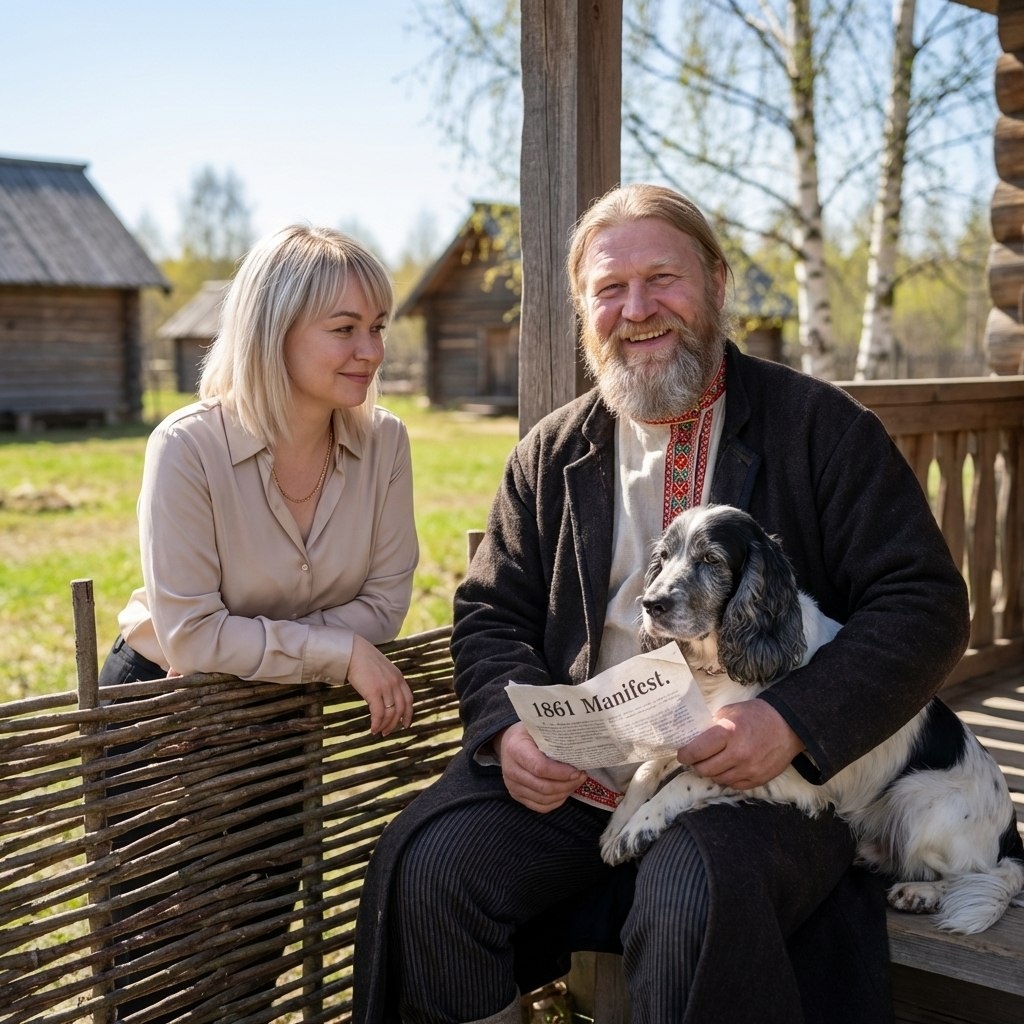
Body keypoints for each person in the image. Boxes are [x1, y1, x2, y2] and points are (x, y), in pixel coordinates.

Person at [352, 184, 970, 1024]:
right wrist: (509, 731)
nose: (637, 310)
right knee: (432, 870)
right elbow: (490, 614)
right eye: (610, 289)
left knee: (693, 897)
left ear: (716, 281)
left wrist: (790, 720)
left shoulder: (822, 429)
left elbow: (924, 605)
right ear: (584, 310)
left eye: (662, 279)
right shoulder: (548, 454)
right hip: (577, 781)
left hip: (762, 787)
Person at [99, 224, 419, 1019]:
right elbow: (191, 637)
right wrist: (337, 650)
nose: (371, 350)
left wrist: (287, 648)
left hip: (280, 714)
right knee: (157, 951)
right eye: (344, 329)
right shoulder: (187, 449)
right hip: (163, 709)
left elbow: (385, 603)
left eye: (377, 327)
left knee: (255, 940)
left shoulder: (386, 443)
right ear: (273, 330)